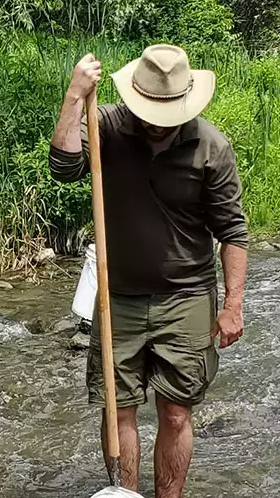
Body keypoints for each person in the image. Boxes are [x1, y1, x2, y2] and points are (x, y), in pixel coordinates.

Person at [49, 44, 249, 498]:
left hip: (187, 297)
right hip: (117, 296)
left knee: (176, 413)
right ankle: (125, 496)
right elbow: (64, 168)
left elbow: (233, 231)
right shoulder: (107, 124)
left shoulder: (210, 145)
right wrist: (74, 96)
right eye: (150, 110)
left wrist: (233, 305)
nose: (157, 122)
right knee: (117, 409)